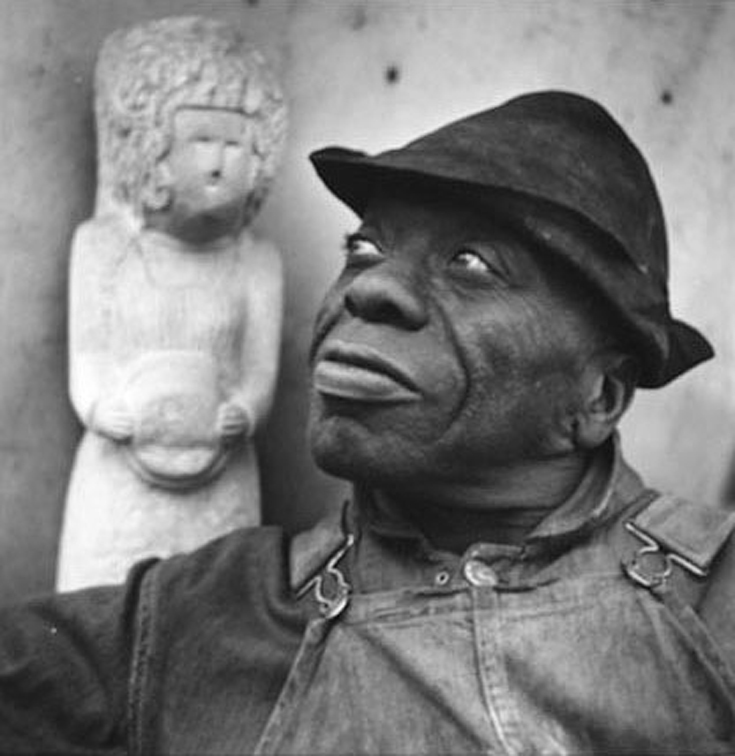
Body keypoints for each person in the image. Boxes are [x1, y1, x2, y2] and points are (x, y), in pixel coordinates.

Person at [1, 90, 733, 755]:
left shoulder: (717, 596)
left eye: (472, 263)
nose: (371, 288)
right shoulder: (201, 616)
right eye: (363, 248)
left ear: (599, 397)